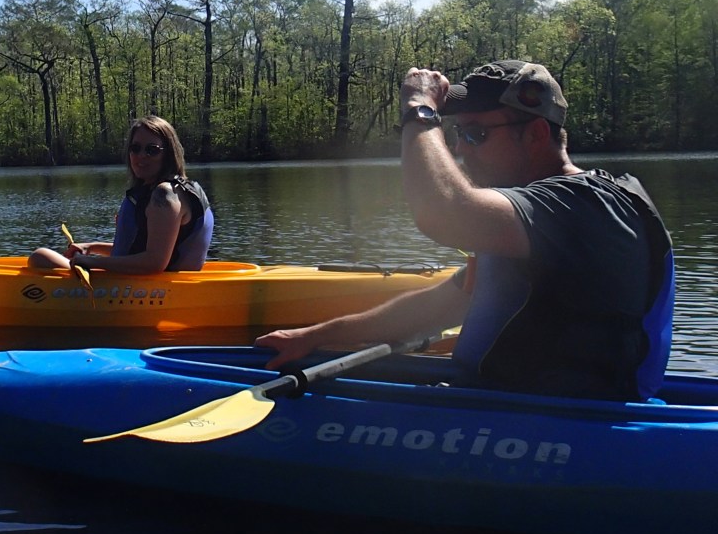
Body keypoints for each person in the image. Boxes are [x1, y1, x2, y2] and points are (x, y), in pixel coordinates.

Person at [256, 60, 675, 401]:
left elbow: (444, 212)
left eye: (475, 134)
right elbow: (441, 306)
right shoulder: (528, 221)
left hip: (559, 427)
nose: (459, 149)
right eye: (458, 134)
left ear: (536, 134)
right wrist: (316, 336)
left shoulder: (585, 206)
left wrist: (420, 111)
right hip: (496, 405)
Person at [29, 115, 214, 275]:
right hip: (146, 282)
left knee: (40, 257)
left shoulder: (165, 196)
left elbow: (154, 262)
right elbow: (142, 251)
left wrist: (93, 262)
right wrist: (92, 248)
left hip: (159, 288)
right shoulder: (172, 191)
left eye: (152, 150)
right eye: (135, 148)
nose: (141, 156)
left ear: (169, 154)